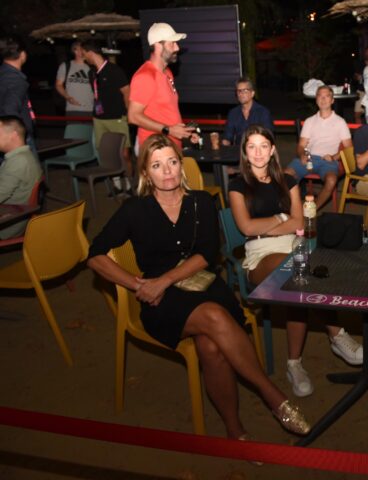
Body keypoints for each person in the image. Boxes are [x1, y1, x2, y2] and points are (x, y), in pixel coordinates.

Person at [87, 134, 310, 440]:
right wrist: (138, 284)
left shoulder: (201, 202)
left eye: (172, 162)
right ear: (146, 173)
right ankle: (273, 397)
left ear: (181, 165)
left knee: (210, 346)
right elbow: (95, 255)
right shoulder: (134, 209)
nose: (167, 171)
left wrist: (164, 280)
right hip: (162, 301)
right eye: (157, 165)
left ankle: (234, 429)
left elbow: (207, 253)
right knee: (215, 317)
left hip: (203, 284)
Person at [229, 125, 363, 398]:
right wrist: (281, 219)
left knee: (303, 278)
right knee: (298, 272)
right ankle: (336, 334)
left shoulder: (287, 181)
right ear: (244, 151)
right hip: (260, 254)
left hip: (293, 246)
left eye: (263, 146)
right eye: (251, 146)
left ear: (273, 150)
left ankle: (294, 365)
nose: (258, 152)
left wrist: (270, 225)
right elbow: (246, 227)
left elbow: (299, 221)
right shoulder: (238, 185)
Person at [128, 22, 199, 150]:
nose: (177, 48)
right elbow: (133, 116)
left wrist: (184, 133)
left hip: (172, 147)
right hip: (155, 149)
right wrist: (169, 130)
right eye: (172, 43)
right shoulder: (145, 76)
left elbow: (167, 112)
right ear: (157, 46)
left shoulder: (167, 72)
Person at [284, 85, 351, 209]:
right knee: (286, 175)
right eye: (320, 96)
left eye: (327, 96)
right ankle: (296, 207)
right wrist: (301, 155)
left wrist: (334, 157)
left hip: (328, 161)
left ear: (332, 100)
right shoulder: (309, 121)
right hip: (309, 158)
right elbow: (301, 145)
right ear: (316, 100)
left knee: (331, 180)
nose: (323, 99)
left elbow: (348, 147)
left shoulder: (340, 122)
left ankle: (312, 209)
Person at [81, 40, 133, 186]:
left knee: (124, 154)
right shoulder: (91, 73)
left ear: (91, 53)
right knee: (107, 154)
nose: (84, 58)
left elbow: (127, 93)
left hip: (117, 118)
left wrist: (129, 115)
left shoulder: (114, 70)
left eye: (84, 54)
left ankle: (129, 184)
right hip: (99, 119)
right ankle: (116, 184)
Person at [0, 116, 42, 239]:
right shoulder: (24, 156)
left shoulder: (18, 161)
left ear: (13, 135)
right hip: (14, 216)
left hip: (7, 225)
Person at [0, 35, 35, 149]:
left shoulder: (3, 74)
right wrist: (17, 137)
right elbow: (10, 111)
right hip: (16, 139)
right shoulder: (16, 80)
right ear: (23, 54)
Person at [222, 77, 273, 147]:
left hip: (257, 150)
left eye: (245, 91)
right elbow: (228, 136)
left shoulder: (263, 112)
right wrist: (224, 143)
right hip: (238, 150)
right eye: (239, 91)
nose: (241, 94)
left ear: (252, 93)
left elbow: (269, 136)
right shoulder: (233, 113)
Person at [55, 41, 93, 117]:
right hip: (73, 109)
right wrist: (67, 97)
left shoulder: (92, 67)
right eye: (81, 49)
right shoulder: (66, 66)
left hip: (91, 109)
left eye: (84, 49)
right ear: (75, 51)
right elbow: (58, 85)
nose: (84, 51)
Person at [353, 46, 368, 124]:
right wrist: (356, 77)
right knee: (357, 114)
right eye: (367, 52)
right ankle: (360, 131)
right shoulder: (359, 63)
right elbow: (354, 77)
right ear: (364, 53)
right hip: (361, 91)